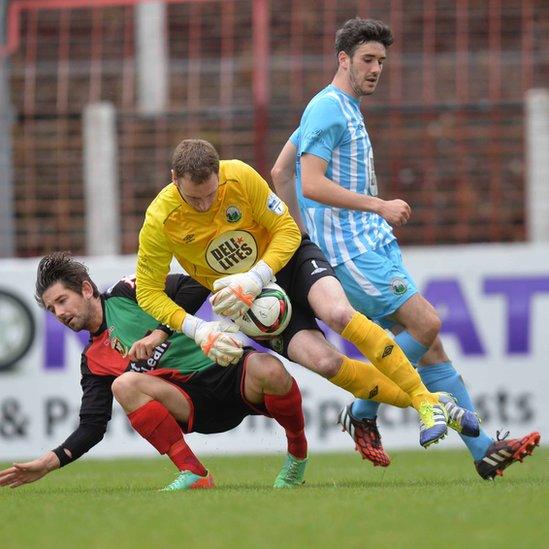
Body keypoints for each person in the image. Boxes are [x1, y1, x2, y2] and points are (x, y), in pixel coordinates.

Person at [270, 17, 540, 479]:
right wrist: (374, 207)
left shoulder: (340, 106)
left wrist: (302, 237)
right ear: (343, 59)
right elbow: (308, 182)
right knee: (428, 322)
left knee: (430, 348)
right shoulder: (328, 109)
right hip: (352, 254)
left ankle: (482, 453)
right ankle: (361, 411)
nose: (376, 69)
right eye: (368, 60)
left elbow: (280, 173)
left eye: (381, 61)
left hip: (368, 247)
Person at [135, 138, 480, 451]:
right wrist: (199, 329)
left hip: (288, 263)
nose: (205, 204)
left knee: (340, 314)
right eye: (194, 198)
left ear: (219, 173)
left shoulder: (238, 176)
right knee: (327, 362)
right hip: (251, 306)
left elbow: (286, 229)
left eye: (211, 193)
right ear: (173, 179)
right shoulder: (160, 220)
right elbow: (149, 293)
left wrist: (257, 276)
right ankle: (436, 403)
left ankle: (423, 401)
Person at [0, 252, 309, 491]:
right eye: (52, 309)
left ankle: (297, 454)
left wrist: (159, 333)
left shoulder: (128, 291)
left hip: (227, 371)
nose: (59, 313)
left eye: (62, 301)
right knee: (124, 385)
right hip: (191, 404)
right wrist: (49, 461)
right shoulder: (93, 360)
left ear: (85, 289)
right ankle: (194, 474)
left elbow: (195, 285)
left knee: (271, 368)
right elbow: (93, 425)